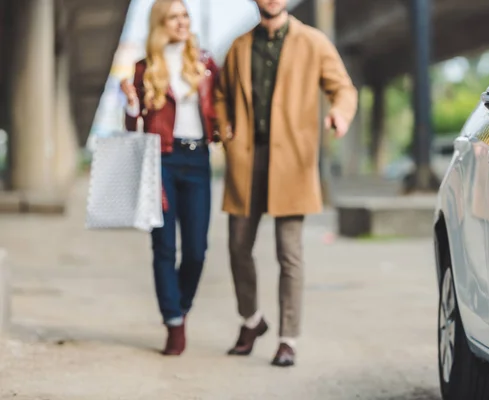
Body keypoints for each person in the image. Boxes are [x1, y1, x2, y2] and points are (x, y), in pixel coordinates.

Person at [214, 0, 358, 367]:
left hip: (292, 162)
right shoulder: (239, 46)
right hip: (247, 160)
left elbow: (343, 88)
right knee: (237, 247)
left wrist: (340, 115)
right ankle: (251, 321)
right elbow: (220, 95)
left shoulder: (313, 42)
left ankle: (287, 339)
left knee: (288, 253)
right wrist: (224, 127)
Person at [120, 0, 219, 356]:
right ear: (160, 23)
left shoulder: (206, 64)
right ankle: (173, 322)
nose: (182, 22)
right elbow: (133, 125)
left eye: (185, 16)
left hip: (198, 159)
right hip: (161, 159)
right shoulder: (145, 69)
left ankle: (180, 305)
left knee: (196, 249)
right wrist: (131, 104)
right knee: (164, 247)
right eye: (174, 16)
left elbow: (220, 110)